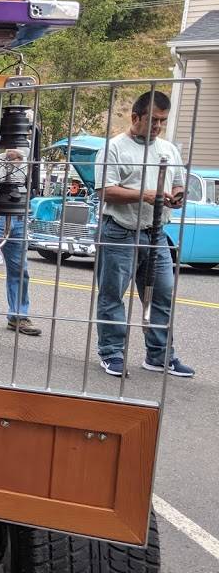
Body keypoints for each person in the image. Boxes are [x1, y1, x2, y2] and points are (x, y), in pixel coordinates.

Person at [94, 90, 193, 378]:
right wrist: (145, 195)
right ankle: (112, 353)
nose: (158, 126)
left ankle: (159, 356)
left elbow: (178, 183)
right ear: (135, 117)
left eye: (163, 121)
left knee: (162, 294)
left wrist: (177, 196)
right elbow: (105, 191)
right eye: (153, 120)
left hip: (156, 233)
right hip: (120, 231)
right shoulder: (113, 148)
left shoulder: (168, 149)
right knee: (112, 295)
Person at [0, 148, 41, 336]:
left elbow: (32, 183)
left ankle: (18, 316)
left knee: (20, 269)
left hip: (18, 215)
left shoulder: (29, 153)